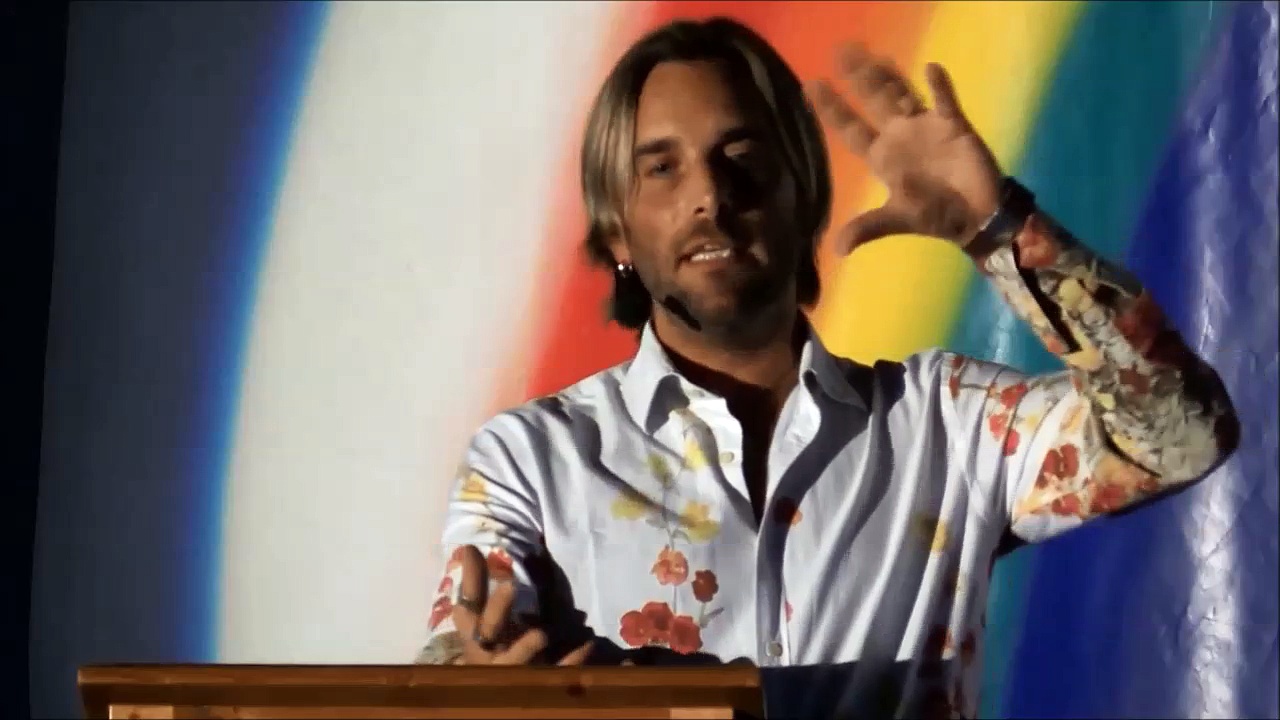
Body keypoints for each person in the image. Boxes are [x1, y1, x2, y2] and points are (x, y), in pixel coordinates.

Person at [414, 17, 1238, 718]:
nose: (710, 195)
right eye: (661, 167)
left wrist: (999, 229)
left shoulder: (947, 422)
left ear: (802, 192)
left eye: (741, 154)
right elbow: (461, 651)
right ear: (617, 231)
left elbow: (1182, 436)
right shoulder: (530, 460)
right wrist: (478, 680)